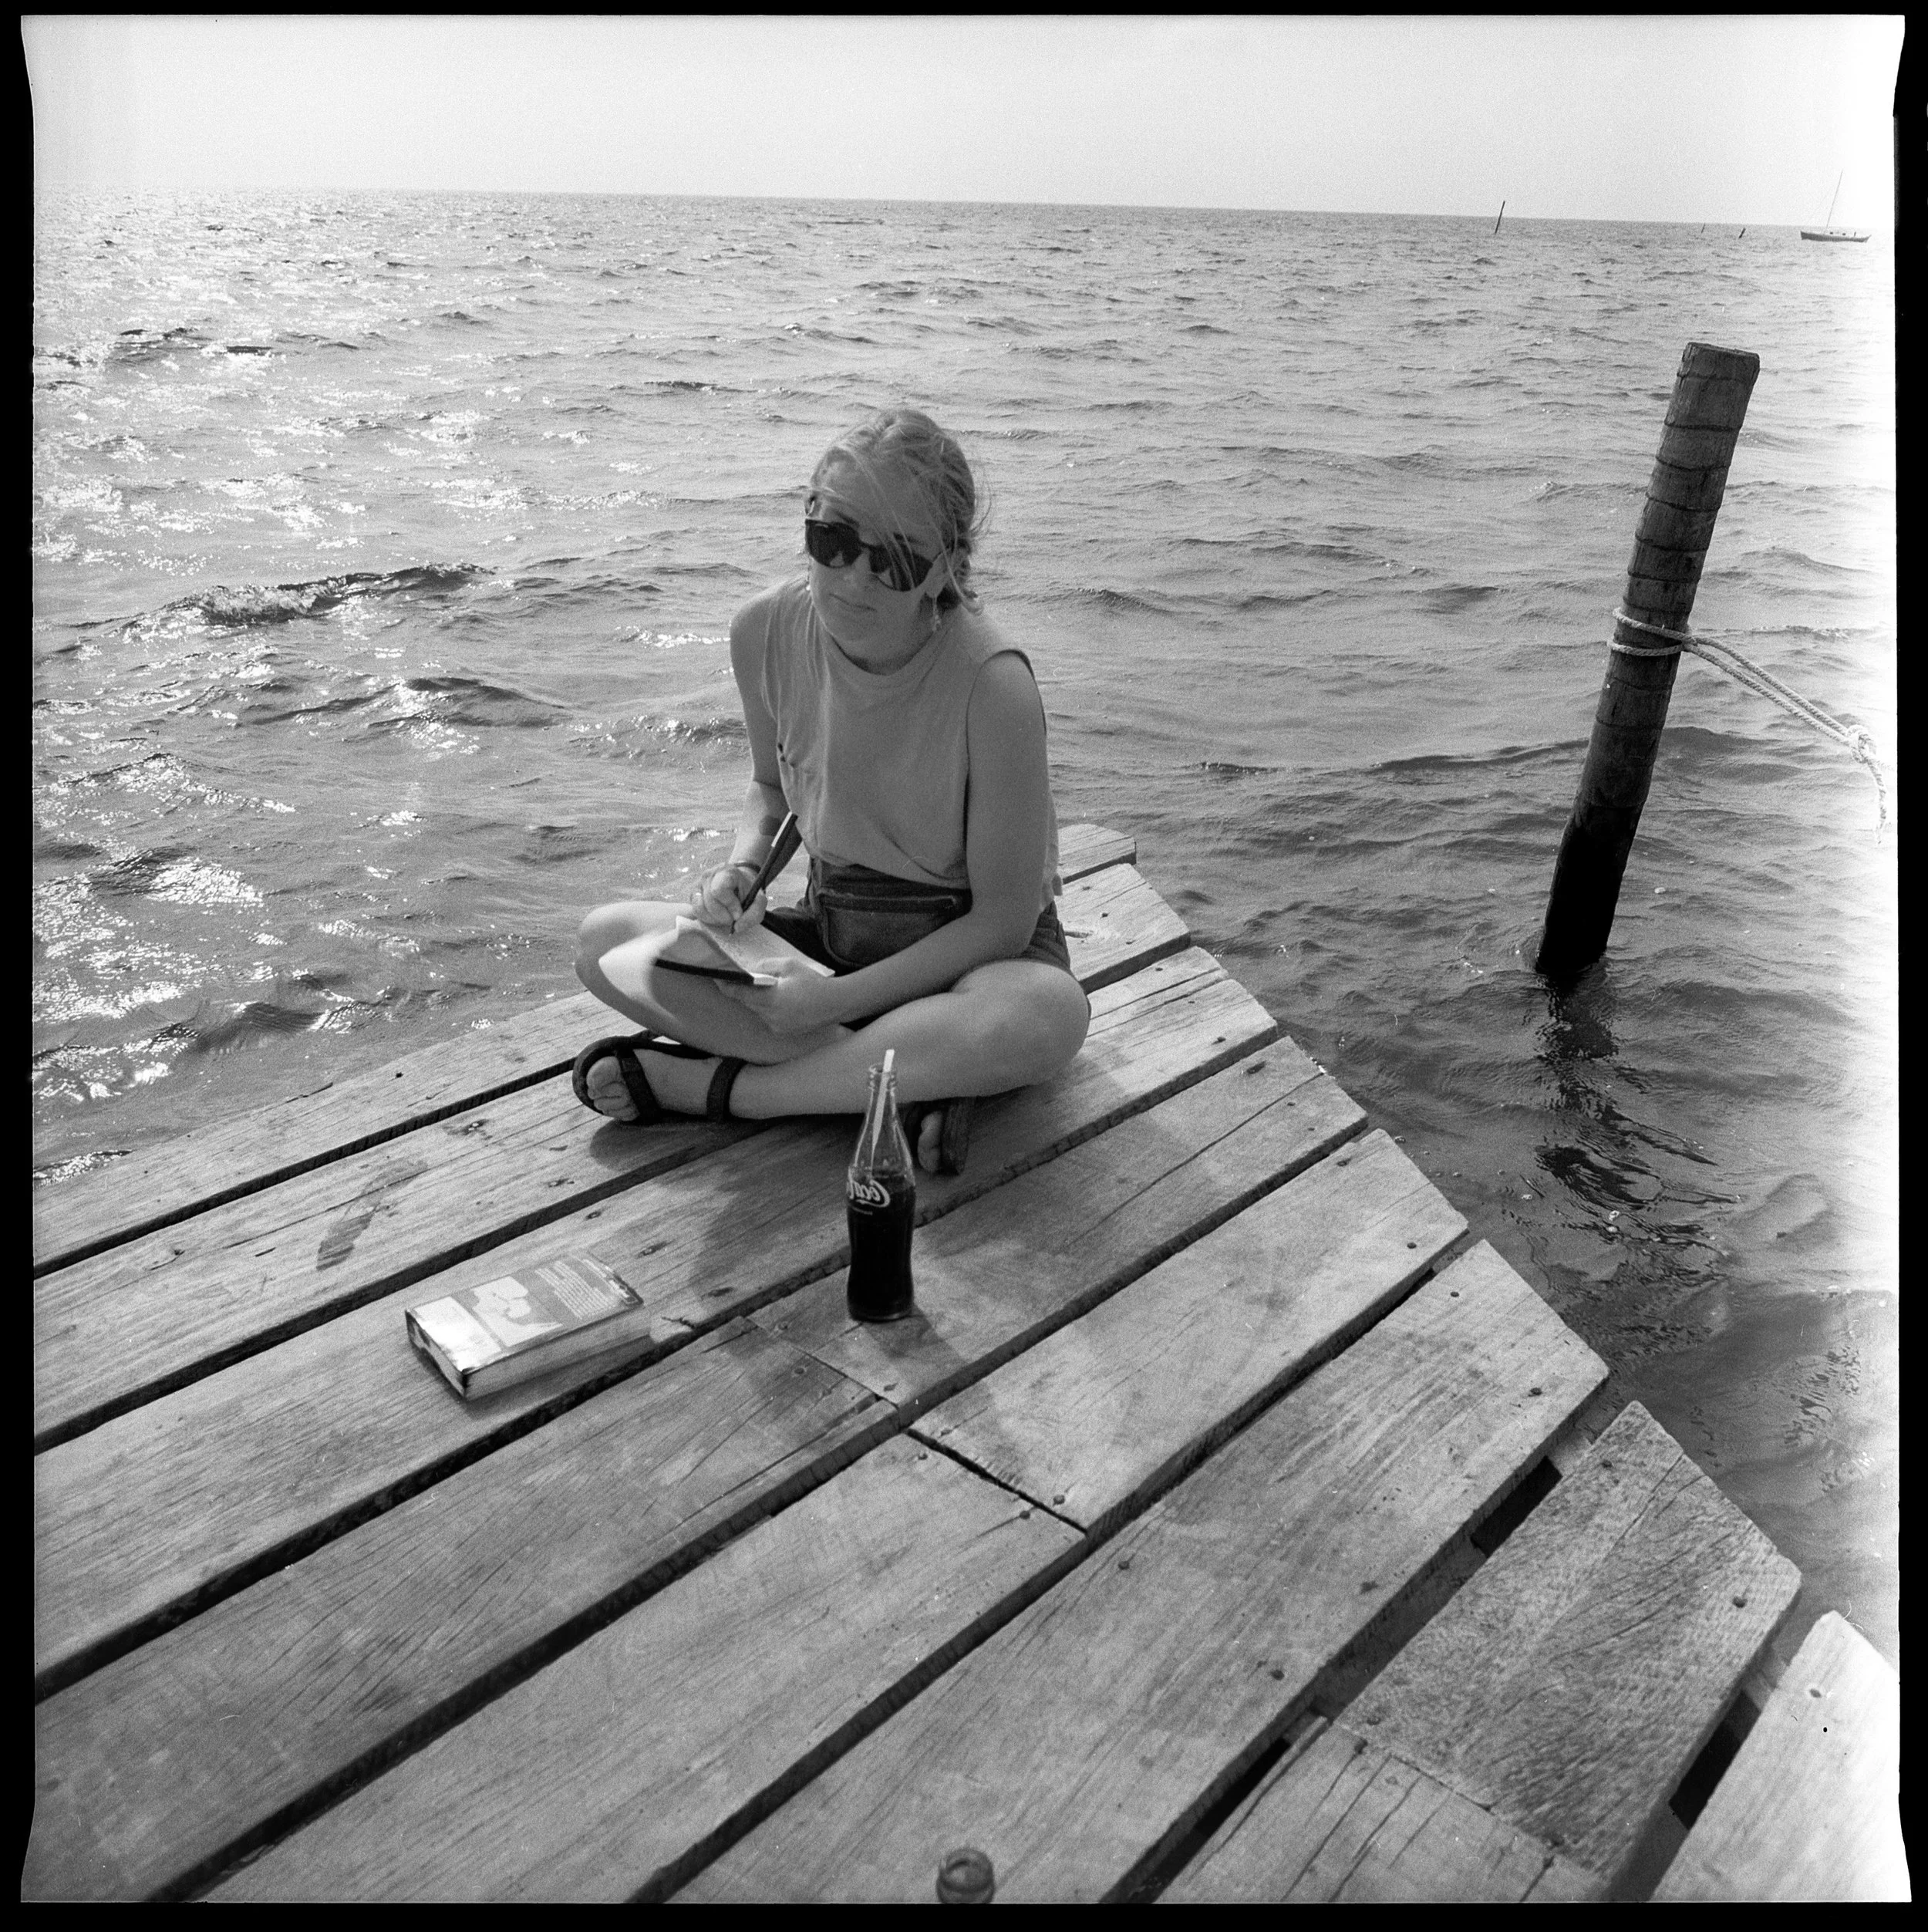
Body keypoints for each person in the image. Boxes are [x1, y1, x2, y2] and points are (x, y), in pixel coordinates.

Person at [571, 406, 1090, 1175]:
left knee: (1046, 1018)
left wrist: (831, 1007)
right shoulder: (762, 630)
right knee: (604, 941)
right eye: (834, 539)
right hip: (832, 945)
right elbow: (769, 791)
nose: (852, 577)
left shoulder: (994, 686)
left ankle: (727, 1091)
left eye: (896, 559)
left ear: (943, 571)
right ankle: (902, 1081)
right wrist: (742, 872)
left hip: (971, 962)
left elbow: (1003, 923)